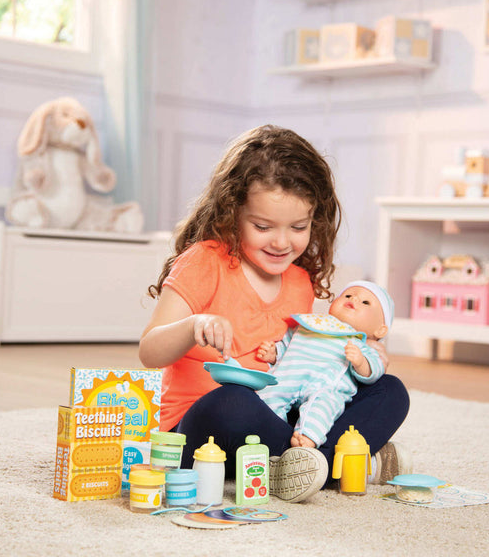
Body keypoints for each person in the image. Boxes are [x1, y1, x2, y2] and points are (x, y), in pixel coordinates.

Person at [139, 124, 410, 503]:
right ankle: (336, 462)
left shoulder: (299, 281)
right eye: (263, 226)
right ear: (232, 213)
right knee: (232, 399)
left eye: (298, 227)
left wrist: (363, 361)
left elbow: (303, 370)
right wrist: (193, 326)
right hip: (202, 432)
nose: (282, 242)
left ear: (314, 221)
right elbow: (149, 352)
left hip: (274, 425)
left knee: (389, 391)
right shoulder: (204, 261)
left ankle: (300, 462)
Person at [256, 281, 395, 450]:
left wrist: (360, 362)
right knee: (268, 396)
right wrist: (274, 353)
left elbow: (375, 370)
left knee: (322, 407)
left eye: (365, 302)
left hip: (325, 387)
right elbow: (288, 343)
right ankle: (271, 438)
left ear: (380, 330)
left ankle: (306, 438)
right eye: (348, 295)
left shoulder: (362, 345)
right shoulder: (310, 324)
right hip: (289, 376)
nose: (354, 298)